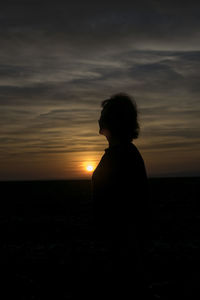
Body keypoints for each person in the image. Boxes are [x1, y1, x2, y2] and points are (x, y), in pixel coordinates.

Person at [91, 93, 151, 298]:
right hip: (117, 246)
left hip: (121, 249)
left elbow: (128, 207)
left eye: (103, 114)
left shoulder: (124, 156)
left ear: (115, 120)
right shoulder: (120, 153)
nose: (99, 118)